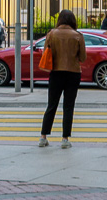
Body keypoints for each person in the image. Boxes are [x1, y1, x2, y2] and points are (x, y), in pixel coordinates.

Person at [38, 9, 86, 149]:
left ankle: (43, 137)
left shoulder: (51, 34)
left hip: (56, 73)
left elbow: (46, 52)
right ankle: (65, 139)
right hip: (73, 73)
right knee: (68, 106)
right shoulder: (78, 36)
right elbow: (83, 58)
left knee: (51, 105)